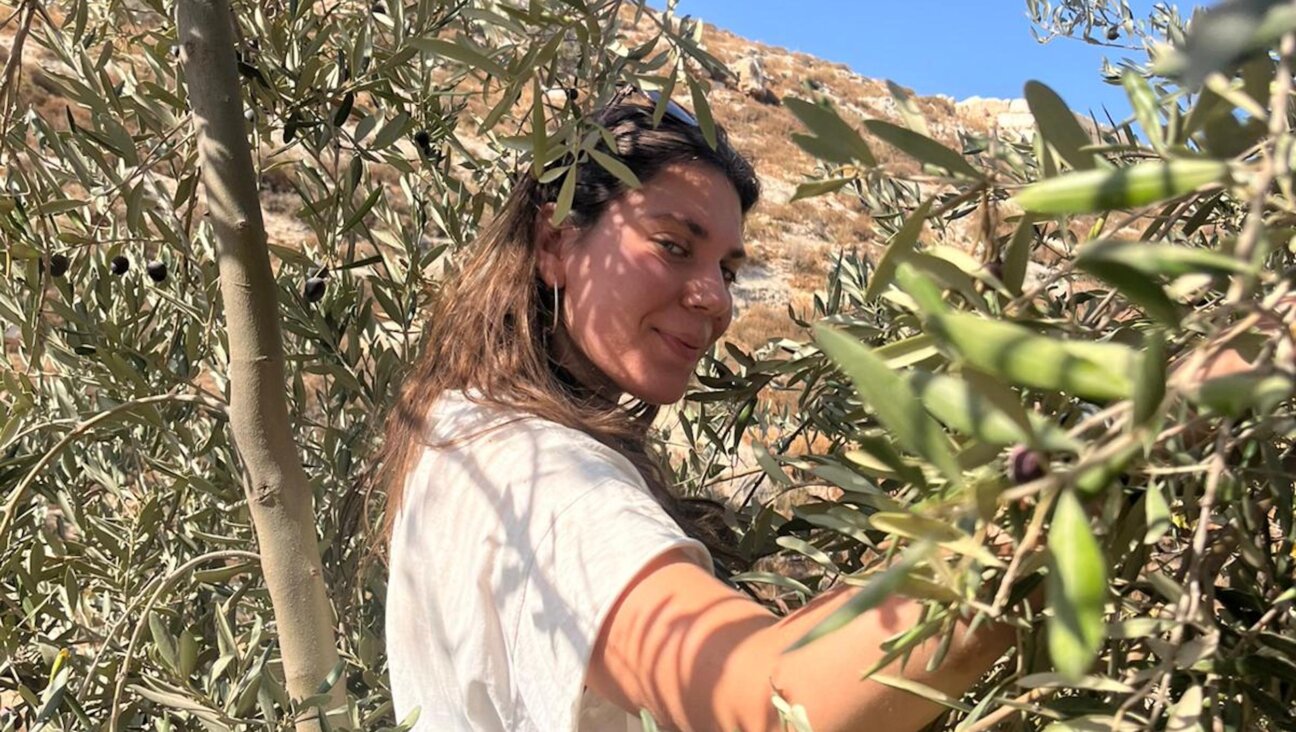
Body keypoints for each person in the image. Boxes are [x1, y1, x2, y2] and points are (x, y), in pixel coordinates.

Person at [380, 89, 1019, 732]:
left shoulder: (460, 428)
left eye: (729, 271)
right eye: (673, 246)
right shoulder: (540, 475)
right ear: (555, 241)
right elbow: (773, 708)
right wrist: (1027, 523)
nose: (716, 300)